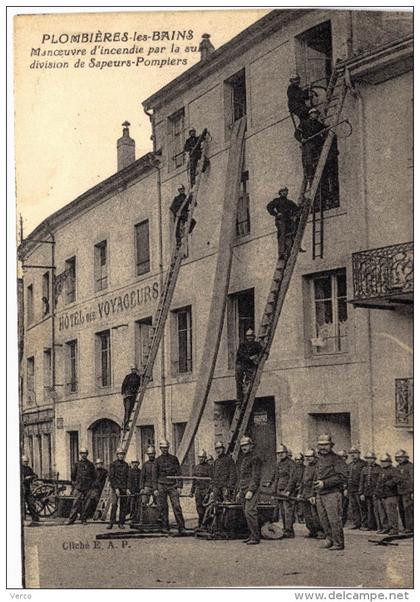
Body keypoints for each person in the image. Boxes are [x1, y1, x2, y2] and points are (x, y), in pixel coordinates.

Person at [311, 434, 347, 551]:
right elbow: (315, 476)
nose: (323, 447)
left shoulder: (337, 459)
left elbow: (342, 476)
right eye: (320, 445)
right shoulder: (319, 459)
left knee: (334, 519)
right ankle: (329, 539)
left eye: (325, 445)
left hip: (332, 493)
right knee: (323, 519)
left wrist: (325, 483)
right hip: (320, 494)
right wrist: (313, 493)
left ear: (331, 445)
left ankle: (338, 543)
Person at [152, 439, 186, 534]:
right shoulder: (157, 460)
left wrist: (179, 486)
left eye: (166, 448)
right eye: (163, 448)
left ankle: (181, 526)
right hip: (161, 485)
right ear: (160, 448)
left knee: (177, 506)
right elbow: (154, 476)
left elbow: (179, 472)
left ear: (168, 448)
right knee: (163, 507)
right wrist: (155, 489)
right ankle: (165, 526)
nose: (165, 449)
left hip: (172, 485)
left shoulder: (174, 459)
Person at [266, 444, 296, 538]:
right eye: (278, 453)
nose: (280, 455)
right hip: (279, 491)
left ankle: (289, 531)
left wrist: (288, 490)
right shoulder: (278, 463)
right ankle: (285, 529)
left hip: (286, 491)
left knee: (288, 511)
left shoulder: (291, 463)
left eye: (282, 453)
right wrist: (271, 486)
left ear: (286, 453)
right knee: (282, 511)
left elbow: (293, 478)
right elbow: (275, 476)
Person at [237, 436, 263, 545]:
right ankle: (251, 535)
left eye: (246, 445)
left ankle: (256, 537)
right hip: (243, 489)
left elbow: (255, 476)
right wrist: (240, 490)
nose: (244, 447)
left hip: (250, 489)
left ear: (251, 445)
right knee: (246, 513)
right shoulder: (244, 458)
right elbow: (242, 476)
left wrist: (251, 490)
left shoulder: (255, 458)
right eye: (242, 445)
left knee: (250, 512)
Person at [266, 187, 302, 260]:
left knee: (289, 236)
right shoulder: (277, 201)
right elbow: (269, 207)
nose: (285, 192)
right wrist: (276, 213)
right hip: (281, 221)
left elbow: (297, 209)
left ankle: (287, 252)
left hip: (288, 221)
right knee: (282, 236)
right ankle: (281, 253)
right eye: (283, 191)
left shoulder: (289, 202)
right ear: (280, 193)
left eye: (286, 191)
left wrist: (295, 216)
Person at [295, 108, 326, 185]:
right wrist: (301, 139)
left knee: (317, 163)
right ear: (310, 114)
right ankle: (309, 177)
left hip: (316, 145)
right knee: (308, 161)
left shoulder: (319, 125)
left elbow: (324, 132)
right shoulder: (304, 123)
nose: (316, 115)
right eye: (315, 113)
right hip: (308, 145)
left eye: (317, 114)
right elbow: (296, 134)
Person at [66, 447, 96, 525]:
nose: (84, 455)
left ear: (87, 454)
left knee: (86, 504)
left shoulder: (90, 464)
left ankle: (84, 519)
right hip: (79, 487)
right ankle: (71, 519)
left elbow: (94, 476)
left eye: (85, 453)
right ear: (80, 454)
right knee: (75, 503)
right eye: (82, 453)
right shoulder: (77, 464)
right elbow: (73, 475)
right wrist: (75, 484)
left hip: (88, 487)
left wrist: (91, 485)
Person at [298, 449, 323, 539]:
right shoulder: (307, 467)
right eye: (306, 457)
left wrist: (313, 495)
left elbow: (315, 482)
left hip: (312, 494)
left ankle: (320, 531)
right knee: (307, 514)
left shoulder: (317, 467)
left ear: (314, 457)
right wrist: (300, 493)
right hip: (305, 493)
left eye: (310, 457)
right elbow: (303, 481)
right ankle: (312, 531)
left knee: (315, 514)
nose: (308, 458)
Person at [235, 329, 263, 406]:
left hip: (250, 366)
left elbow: (262, 352)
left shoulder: (257, 345)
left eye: (251, 336)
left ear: (254, 337)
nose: (250, 338)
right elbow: (240, 355)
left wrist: (257, 358)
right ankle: (239, 399)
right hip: (241, 364)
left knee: (252, 380)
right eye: (248, 336)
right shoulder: (242, 345)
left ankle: (247, 393)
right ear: (246, 337)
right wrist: (250, 358)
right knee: (239, 380)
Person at [375, 453, 401, 535]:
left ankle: (394, 529)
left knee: (391, 513)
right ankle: (385, 528)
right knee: (383, 514)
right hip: (382, 495)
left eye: (385, 461)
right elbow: (379, 483)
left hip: (391, 495)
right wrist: (377, 492)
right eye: (382, 461)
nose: (382, 463)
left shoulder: (394, 470)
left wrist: (389, 483)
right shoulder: (382, 470)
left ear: (389, 462)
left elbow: (398, 479)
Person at [107, 447, 130, 530]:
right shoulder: (113, 464)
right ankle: (111, 523)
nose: (121, 456)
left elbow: (128, 478)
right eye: (120, 454)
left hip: (123, 488)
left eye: (122, 454)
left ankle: (121, 523)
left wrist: (127, 488)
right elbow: (111, 478)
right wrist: (116, 488)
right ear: (117, 455)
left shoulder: (126, 465)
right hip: (115, 488)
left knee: (123, 506)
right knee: (114, 505)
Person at [345, 446, 367, 530]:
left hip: (359, 489)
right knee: (354, 507)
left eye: (354, 453)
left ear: (359, 454)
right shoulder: (349, 465)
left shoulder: (363, 464)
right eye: (351, 454)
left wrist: (362, 491)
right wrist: (346, 488)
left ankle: (364, 524)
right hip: (351, 489)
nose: (353, 455)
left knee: (362, 507)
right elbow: (347, 477)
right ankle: (356, 523)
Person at [189, 449, 213, 528]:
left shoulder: (209, 467)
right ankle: (200, 523)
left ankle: (205, 524)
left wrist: (210, 491)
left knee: (206, 507)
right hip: (198, 490)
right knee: (199, 507)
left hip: (206, 490)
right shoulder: (196, 467)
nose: (201, 459)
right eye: (199, 457)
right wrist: (191, 491)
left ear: (205, 458)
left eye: (202, 457)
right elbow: (194, 481)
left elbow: (211, 480)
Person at [358, 451, 381, 531]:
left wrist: (377, 492)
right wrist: (361, 493)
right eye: (368, 459)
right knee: (367, 509)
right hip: (366, 492)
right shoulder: (364, 469)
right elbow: (361, 481)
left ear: (374, 459)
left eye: (371, 459)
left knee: (376, 509)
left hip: (375, 492)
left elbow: (379, 481)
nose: (369, 460)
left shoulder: (378, 468)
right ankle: (368, 525)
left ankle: (377, 526)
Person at [80, 458, 108, 523]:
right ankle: (83, 518)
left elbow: (106, 479)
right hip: (93, 489)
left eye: (101, 464)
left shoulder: (105, 472)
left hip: (101, 490)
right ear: (96, 465)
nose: (99, 465)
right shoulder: (93, 471)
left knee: (100, 503)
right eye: (98, 464)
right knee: (88, 503)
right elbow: (89, 479)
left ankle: (98, 516)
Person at [395, 450, 413, 533]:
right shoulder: (397, 467)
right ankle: (405, 526)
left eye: (401, 457)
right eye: (398, 457)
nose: (399, 459)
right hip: (399, 492)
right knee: (401, 509)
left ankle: (410, 527)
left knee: (408, 509)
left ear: (405, 457)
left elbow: (413, 479)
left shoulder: (410, 466)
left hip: (407, 492)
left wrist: (412, 491)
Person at [121, 365, 141, 432]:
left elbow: (138, 385)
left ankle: (126, 425)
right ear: (131, 370)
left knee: (131, 410)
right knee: (127, 410)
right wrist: (123, 393)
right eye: (133, 369)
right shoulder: (128, 376)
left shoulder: (138, 377)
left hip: (133, 395)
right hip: (127, 395)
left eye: (135, 369)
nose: (134, 370)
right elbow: (123, 385)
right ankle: (125, 425)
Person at [21, 455, 39, 523]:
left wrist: (33, 477)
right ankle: (22, 519)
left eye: (27, 461)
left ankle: (35, 518)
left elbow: (35, 475)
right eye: (25, 461)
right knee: (21, 505)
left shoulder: (28, 468)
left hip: (27, 488)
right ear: (21, 461)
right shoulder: (19, 468)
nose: (26, 463)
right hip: (21, 488)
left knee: (31, 503)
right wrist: (25, 478)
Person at [337, 449, 349, 526]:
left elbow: (348, 478)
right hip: (336, 489)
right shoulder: (336, 467)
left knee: (343, 506)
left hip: (344, 489)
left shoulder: (347, 467)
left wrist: (346, 488)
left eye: (343, 457)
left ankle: (342, 522)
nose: (341, 458)